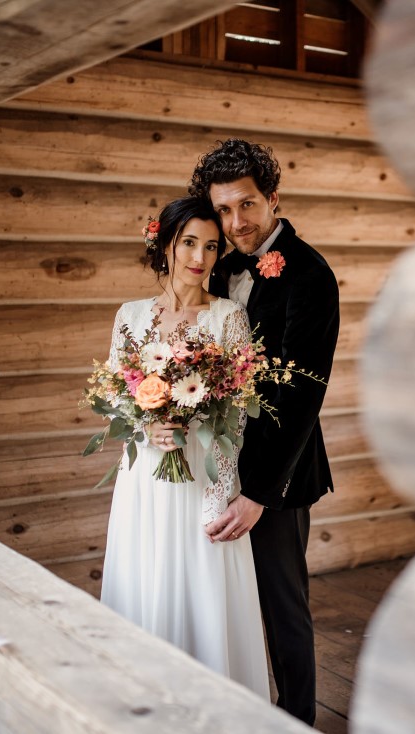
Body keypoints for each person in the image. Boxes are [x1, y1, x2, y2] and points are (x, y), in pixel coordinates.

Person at [188, 138, 340, 725]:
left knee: (282, 605)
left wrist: (258, 493)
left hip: (280, 470)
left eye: (246, 206)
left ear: (273, 198)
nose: (235, 222)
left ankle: (298, 718)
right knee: (223, 596)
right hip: (216, 462)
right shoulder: (221, 269)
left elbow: (303, 393)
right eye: (223, 210)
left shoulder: (311, 275)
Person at [100, 195, 269, 698]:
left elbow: (237, 416)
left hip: (203, 476)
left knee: (203, 590)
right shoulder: (130, 315)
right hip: (146, 480)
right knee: (147, 584)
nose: (200, 257)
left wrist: (218, 494)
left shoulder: (229, 318)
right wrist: (142, 428)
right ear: (167, 244)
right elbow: (112, 397)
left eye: (212, 247)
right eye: (189, 243)